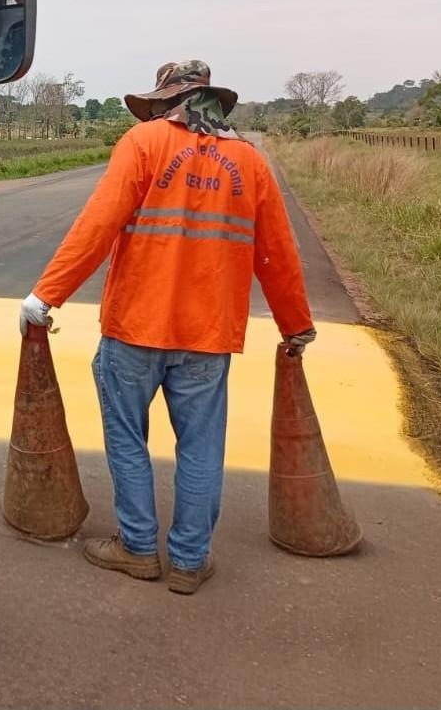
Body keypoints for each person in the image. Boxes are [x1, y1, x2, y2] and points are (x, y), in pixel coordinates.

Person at [19, 60, 316, 595]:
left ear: (165, 104)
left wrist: (46, 295)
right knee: (200, 447)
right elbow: (278, 256)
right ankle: (189, 560)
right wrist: (295, 326)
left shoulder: (143, 144)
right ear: (213, 103)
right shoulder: (249, 161)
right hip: (208, 339)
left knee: (128, 440)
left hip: (134, 330)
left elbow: (98, 225)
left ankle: (136, 548)